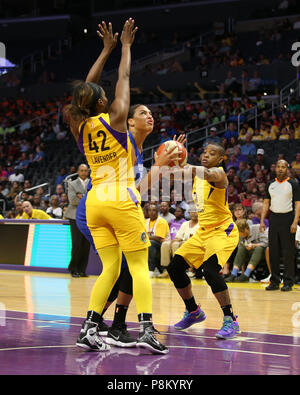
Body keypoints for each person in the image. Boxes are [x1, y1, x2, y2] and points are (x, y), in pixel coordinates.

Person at [64, 19, 169, 354]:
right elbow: (124, 77)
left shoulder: (78, 124)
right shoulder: (118, 118)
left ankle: (90, 327)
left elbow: (85, 91)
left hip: (94, 201)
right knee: (139, 266)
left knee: (110, 267)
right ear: (100, 103)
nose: (110, 97)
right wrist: (124, 47)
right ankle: (148, 329)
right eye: (104, 96)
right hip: (120, 198)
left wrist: (104, 49)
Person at [167, 142, 241, 339]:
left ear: (221, 159)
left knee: (209, 271)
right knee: (174, 267)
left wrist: (184, 164)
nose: (206, 155)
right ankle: (193, 311)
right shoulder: (196, 174)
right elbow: (175, 173)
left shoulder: (219, 174)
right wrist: (175, 158)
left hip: (222, 231)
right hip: (203, 232)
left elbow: (206, 174)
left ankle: (230, 320)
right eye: (205, 152)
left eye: (212, 153)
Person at [260, 160, 300, 291]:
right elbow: (266, 203)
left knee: (288, 252)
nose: (281, 169)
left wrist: (295, 222)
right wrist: (262, 221)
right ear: (275, 168)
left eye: (283, 167)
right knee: (273, 251)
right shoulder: (270, 184)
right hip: (274, 218)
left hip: (288, 218)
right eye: (278, 167)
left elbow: (298, 204)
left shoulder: (293, 183)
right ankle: (275, 281)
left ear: (287, 169)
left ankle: (288, 282)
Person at [64, 164, 91, 277]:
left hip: (89, 217)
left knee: (86, 244)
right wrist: (87, 198)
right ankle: (73, 268)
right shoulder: (72, 183)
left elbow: (96, 198)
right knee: (77, 243)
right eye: (82, 170)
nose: (84, 172)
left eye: (86, 170)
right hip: (74, 216)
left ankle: (82, 270)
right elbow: (73, 200)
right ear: (78, 172)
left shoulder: (93, 183)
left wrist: (82, 196)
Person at [146, 203, 170, 277]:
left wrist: (145, 237)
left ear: (157, 212)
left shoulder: (161, 221)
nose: (151, 212)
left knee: (151, 243)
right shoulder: (146, 221)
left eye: (154, 210)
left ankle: (151, 270)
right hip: (151, 242)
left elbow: (158, 238)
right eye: (149, 210)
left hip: (163, 244)